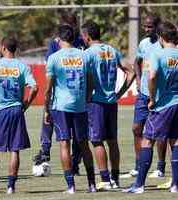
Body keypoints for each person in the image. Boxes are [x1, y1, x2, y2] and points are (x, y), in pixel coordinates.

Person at [123, 21, 178, 193]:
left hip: (162, 105)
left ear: (161, 37)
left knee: (147, 140)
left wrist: (152, 98)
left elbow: (152, 76)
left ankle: (139, 185)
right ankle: (176, 185)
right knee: (175, 141)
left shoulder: (159, 54)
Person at [81, 20, 135, 190]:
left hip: (96, 102)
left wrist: (87, 96)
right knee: (112, 141)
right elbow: (131, 72)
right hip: (111, 102)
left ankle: (105, 180)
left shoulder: (88, 54)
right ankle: (116, 179)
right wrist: (119, 93)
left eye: (83, 36)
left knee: (97, 141)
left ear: (87, 36)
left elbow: (86, 77)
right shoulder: (112, 50)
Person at [44, 24, 96, 193]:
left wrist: (46, 109)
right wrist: (86, 99)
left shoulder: (54, 58)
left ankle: (71, 186)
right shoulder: (84, 55)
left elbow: (48, 89)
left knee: (64, 144)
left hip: (61, 107)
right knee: (84, 145)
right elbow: (91, 82)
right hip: (80, 106)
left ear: (59, 39)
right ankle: (92, 184)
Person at [33, 15, 85, 176]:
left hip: (63, 97)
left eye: (71, 25)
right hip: (70, 95)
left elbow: (51, 67)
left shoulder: (80, 43)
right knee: (50, 125)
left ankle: (74, 162)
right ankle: (45, 152)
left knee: (69, 136)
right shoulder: (57, 44)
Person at [0, 36, 38, 194]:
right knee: (14, 149)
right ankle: (10, 187)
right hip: (16, 109)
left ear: (2, 48)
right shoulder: (22, 66)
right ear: (16, 49)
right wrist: (26, 104)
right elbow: (34, 87)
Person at [122, 14, 165, 179]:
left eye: (150, 27)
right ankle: (138, 166)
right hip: (144, 93)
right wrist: (139, 80)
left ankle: (160, 167)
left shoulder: (165, 44)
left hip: (160, 95)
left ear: (157, 26)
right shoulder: (143, 43)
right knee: (136, 128)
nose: (146, 29)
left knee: (161, 133)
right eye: (145, 26)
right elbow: (136, 62)